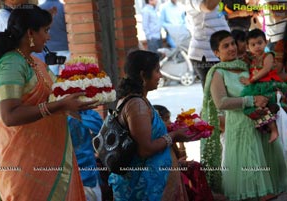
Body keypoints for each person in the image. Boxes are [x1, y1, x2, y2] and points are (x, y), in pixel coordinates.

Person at [0, 4, 97, 200]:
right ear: (30, 33)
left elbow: (55, 97)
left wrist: (78, 101)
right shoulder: (10, 64)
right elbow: (9, 115)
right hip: (26, 163)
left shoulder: (35, 62)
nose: (49, 37)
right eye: (46, 31)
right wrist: (61, 105)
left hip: (49, 157)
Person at [202, 29, 287, 200]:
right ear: (216, 52)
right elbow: (221, 102)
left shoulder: (245, 65)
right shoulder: (217, 73)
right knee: (250, 174)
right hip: (240, 127)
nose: (232, 48)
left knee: (267, 178)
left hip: (259, 122)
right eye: (226, 46)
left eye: (233, 43)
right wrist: (251, 100)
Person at [108, 50, 199, 200]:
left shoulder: (138, 100)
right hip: (146, 188)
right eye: (157, 71)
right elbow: (145, 149)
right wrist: (174, 135)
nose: (161, 76)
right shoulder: (137, 105)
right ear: (143, 75)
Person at [239, 28, 287, 143]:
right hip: (257, 86)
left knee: (268, 103)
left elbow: (266, 69)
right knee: (256, 107)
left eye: (260, 43)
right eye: (253, 44)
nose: (257, 47)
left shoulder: (268, 55)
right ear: (248, 47)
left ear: (266, 42)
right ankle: (271, 129)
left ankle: (275, 130)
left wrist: (251, 80)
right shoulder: (251, 59)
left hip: (268, 84)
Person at [185, 0, 230, 88]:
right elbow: (208, 6)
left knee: (223, 91)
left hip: (218, 52)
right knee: (212, 94)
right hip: (205, 54)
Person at [68, 110, 103, 201]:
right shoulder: (54, 116)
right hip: (67, 180)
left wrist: (74, 114)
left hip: (89, 177)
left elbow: (101, 129)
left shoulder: (85, 112)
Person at [39, 0, 70, 75]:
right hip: (64, 46)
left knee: (51, 80)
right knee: (70, 77)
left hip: (48, 50)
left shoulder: (39, 9)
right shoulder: (64, 8)